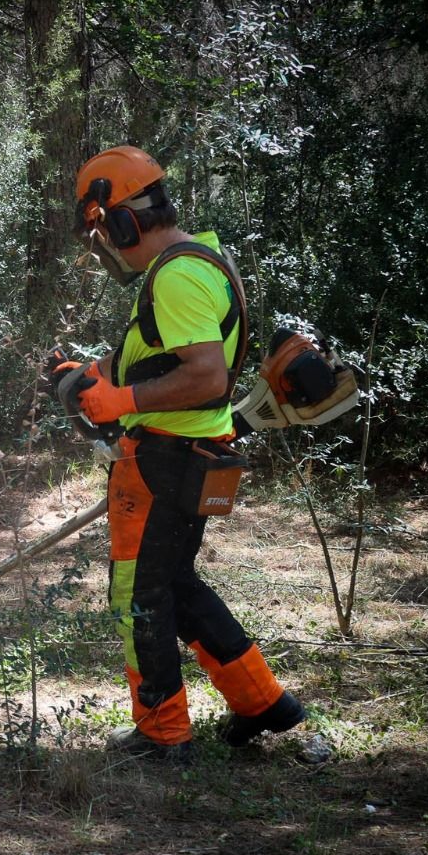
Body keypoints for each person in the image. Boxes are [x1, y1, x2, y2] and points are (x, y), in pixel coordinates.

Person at [58, 145, 307, 763]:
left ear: (119, 221)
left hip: (165, 462)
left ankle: (161, 732)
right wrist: (90, 375)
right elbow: (163, 356)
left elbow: (206, 377)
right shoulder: (200, 261)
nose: (105, 247)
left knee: (138, 594)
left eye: (101, 230)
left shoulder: (175, 275)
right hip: (189, 454)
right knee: (174, 584)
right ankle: (263, 702)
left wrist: (117, 404)